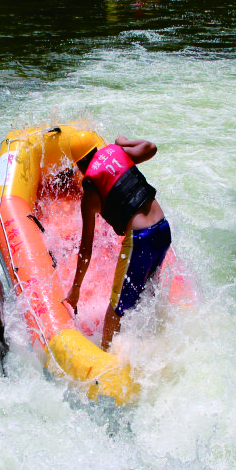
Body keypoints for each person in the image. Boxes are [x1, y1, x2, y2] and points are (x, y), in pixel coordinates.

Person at [64, 135, 172, 350]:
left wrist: (75, 291)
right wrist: (123, 142)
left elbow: (86, 249)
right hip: (163, 229)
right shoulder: (119, 152)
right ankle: (156, 346)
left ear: (79, 165)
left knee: (115, 311)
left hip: (141, 240)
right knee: (148, 294)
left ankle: (106, 363)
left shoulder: (90, 190)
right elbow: (151, 146)